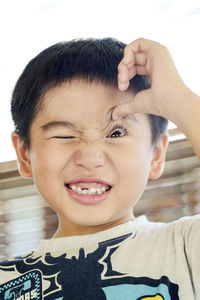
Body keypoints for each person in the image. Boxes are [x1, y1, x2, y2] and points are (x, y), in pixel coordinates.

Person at [0, 37, 199, 299]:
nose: (90, 157)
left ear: (157, 154)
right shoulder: (8, 282)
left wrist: (177, 99)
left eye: (116, 134)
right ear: (25, 154)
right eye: (64, 135)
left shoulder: (185, 248)